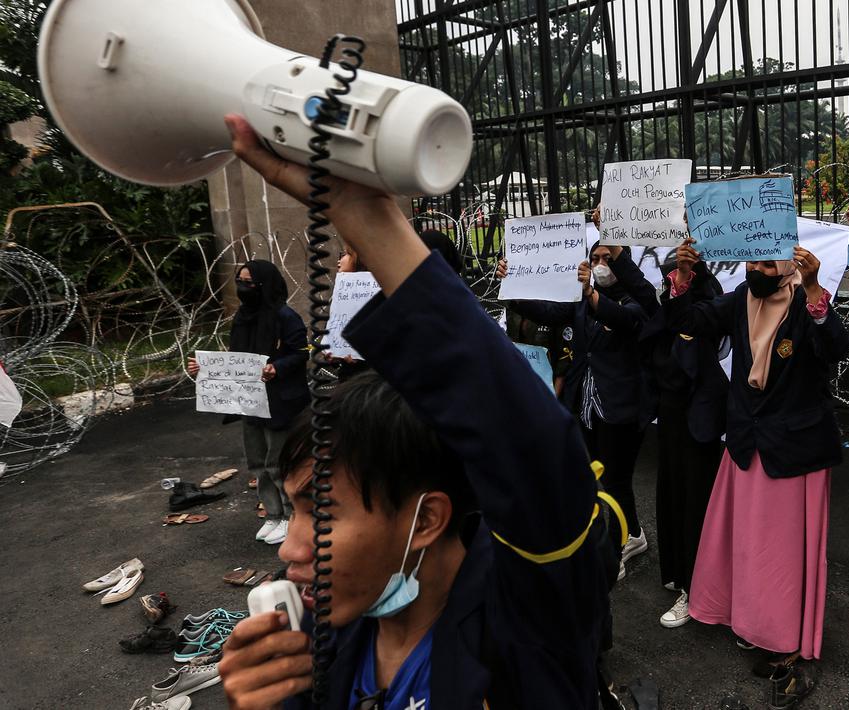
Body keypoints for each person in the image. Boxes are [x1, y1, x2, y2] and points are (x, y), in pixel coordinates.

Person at [217, 115, 614, 708]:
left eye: (320, 514)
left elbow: (531, 447)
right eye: (295, 511)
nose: (289, 550)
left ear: (427, 520)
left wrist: (370, 221)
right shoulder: (313, 651)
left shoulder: (525, 622)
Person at [667, 239, 849, 703]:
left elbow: (837, 348)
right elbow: (690, 321)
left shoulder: (804, 304)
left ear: (788, 267)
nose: (756, 269)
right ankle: (749, 620)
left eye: (767, 263)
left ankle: (784, 636)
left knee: (785, 553)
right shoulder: (738, 301)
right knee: (749, 544)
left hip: (794, 450)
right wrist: (683, 281)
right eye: (751, 260)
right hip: (748, 444)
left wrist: (813, 292)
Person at [501, 241, 657, 575]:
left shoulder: (635, 301)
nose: (600, 265)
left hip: (620, 407)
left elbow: (623, 320)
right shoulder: (581, 300)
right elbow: (549, 312)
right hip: (584, 404)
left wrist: (590, 294)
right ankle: (629, 532)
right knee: (595, 475)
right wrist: (512, 286)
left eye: (607, 259)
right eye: (595, 258)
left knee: (617, 479)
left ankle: (618, 548)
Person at [634, 249, 728, 628]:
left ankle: (698, 587)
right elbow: (644, 297)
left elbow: (703, 308)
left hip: (700, 420)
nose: (674, 280)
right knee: (673, 497)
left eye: (681, 275)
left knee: (697, 504)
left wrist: (696, 274)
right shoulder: (665, 311)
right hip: (671, 418)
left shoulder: (707, 310)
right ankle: (680, 576)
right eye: (671, 274)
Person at [189, 259, 309, 546]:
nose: (243, 287)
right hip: (250, 401)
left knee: (278, 463)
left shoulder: (285, 316)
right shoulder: (243, 316)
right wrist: (204, 369)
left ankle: (293, 517)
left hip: (281, 402)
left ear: (265, 285)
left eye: (249, 283)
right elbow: (236, 359)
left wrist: (276, 368)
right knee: (257, 462)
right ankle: (273, 514)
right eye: (240, 281)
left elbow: (301, 351)